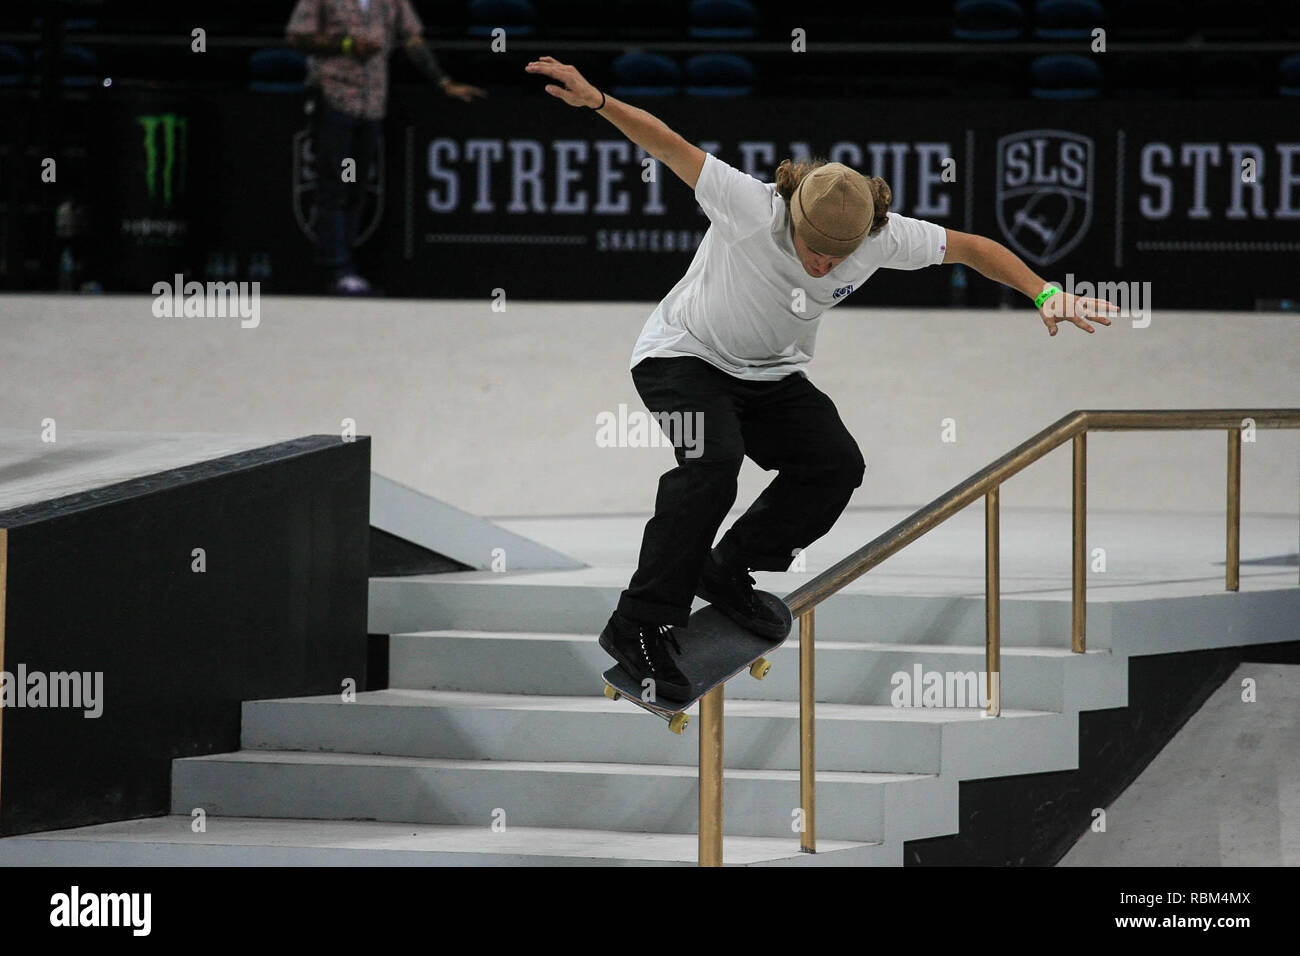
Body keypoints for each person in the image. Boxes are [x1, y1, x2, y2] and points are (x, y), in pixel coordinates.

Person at [525, 56, 1117, 701]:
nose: (823, 262)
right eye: (813, 248)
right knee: (712, 464)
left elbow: (974, 247)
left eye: (837, 256)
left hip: (771, 373)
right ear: (794, 212)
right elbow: (667, 143)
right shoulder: (750, 204)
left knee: (835, 466)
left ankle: (727, 569)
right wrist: (597, 100)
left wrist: (1044, 293)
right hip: (683, 356)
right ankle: (637, 623)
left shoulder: (882, 237)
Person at [287, 0, 486, 295]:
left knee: (355, 187)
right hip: (334, 100)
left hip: (372, 105)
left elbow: (412, 38)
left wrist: (443, 82)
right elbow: (297, 36)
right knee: (335, 186)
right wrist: (345, 46)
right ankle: (336, 269)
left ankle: (347, 267)